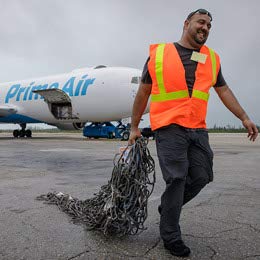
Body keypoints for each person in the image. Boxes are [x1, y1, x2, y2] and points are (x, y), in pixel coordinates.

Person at [128, 8, 258, 257]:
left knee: (202, 176)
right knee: (176, 178)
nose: (205, 28)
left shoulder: (212, 58)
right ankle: (171, 235)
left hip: (197, 128)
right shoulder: (159, 55)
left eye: (209, 25)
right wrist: (134, 127)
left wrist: (243, 117)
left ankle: (168, 207)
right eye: (201, 22)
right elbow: (143, 93)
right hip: (169, 127)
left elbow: (224, 91)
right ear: (187, 23)